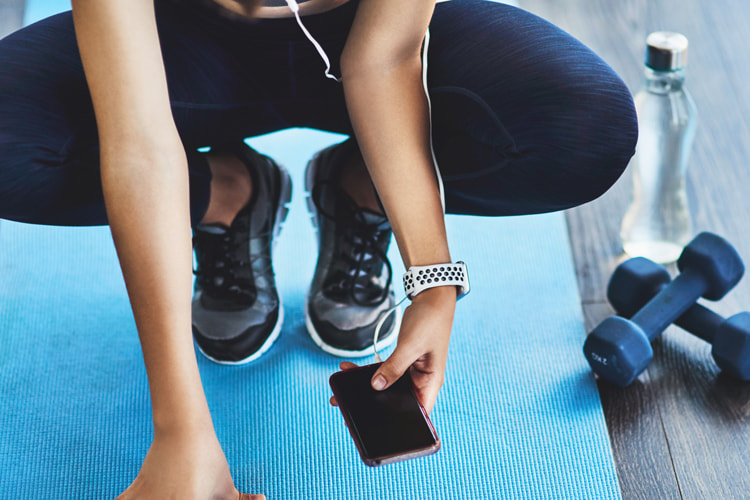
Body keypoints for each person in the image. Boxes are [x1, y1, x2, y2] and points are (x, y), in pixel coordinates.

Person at [0, 0, 638, 497]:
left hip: (368, 41)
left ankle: (363, 190)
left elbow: (384, 57)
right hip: (181, 51)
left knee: (587, 127)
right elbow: (139, 143)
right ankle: (226, 196)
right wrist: (180, 430)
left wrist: (433, 281)